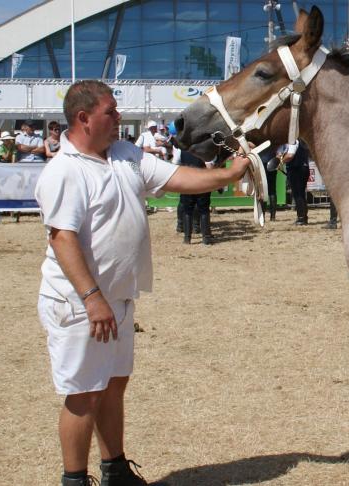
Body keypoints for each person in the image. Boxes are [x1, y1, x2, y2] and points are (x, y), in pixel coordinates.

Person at [34, 80, 249, 486]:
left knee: (112, 387)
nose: (118, 119)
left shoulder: (123, 155)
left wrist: (228, 174)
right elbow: (62, 238)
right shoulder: (64, 171)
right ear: (84, 118)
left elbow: (176, 178)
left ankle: (115, 469)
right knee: (84, 395)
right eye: (111, 112)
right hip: (81, 303)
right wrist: (92, 298)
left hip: (116, 299)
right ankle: (74, 480)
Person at [177, 150, 214, 244]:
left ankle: (187, 238)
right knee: (204, 210)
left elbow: (176, 164)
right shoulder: (205, 150)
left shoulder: (181, 151)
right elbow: (210, 167)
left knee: (187, 211)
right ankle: (206, 238)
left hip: (187, 182)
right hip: (202, 182)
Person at [282, 140, 311, 225]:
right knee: (301, 194)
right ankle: (303, 217)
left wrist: (281, 161)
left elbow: (290, 155)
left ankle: (301, 218)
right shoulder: (302, 142)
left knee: (297, 194)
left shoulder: (293, 141)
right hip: (303, 167)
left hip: (296, 169)